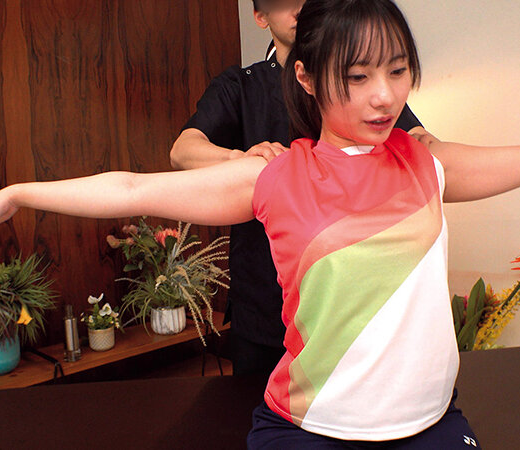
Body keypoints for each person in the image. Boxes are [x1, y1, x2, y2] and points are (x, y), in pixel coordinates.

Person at [0, 0, 520, 446]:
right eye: (358, 77)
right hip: (309, 429)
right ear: (309, 78)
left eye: (398, 72)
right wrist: (19, 194)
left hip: (431, 424)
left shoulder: (428, 163)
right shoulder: (273, 175)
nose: (384, 97)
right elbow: (134, 185)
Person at [170, 0, 431, 376]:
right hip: (262, 300)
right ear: (260, 17)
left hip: (345, 304)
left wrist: (430, 146)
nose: (297, 8)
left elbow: (416, 138)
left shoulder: (356, 86)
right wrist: (241, 160)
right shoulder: (241, 85)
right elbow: (183, 151)